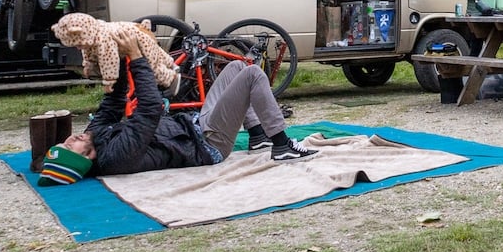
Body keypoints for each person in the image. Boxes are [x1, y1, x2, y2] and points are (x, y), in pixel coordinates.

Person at [38, 32, 317, 186]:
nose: (70, 138)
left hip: (197, 124)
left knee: (235, 67)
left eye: (66, 140)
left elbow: (113, 102)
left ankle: (257, 135)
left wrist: (121, 60)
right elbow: (149, 109)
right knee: (253, 74)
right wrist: (137, 57)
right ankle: (282, 146)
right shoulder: (115, 157)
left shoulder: (95, 135)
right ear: (84, 159)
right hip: (209, 144)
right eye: (69, 147)